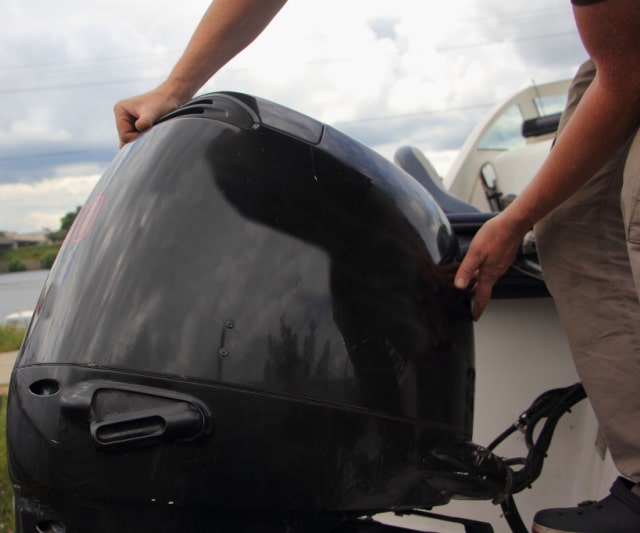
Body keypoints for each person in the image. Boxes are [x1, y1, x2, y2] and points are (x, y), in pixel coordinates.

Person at [113, 1, 640, 531]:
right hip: (619, 51)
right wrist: (177, 86)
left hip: (628, 52)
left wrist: (514, 220)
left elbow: (628, 73)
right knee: (573, 225)